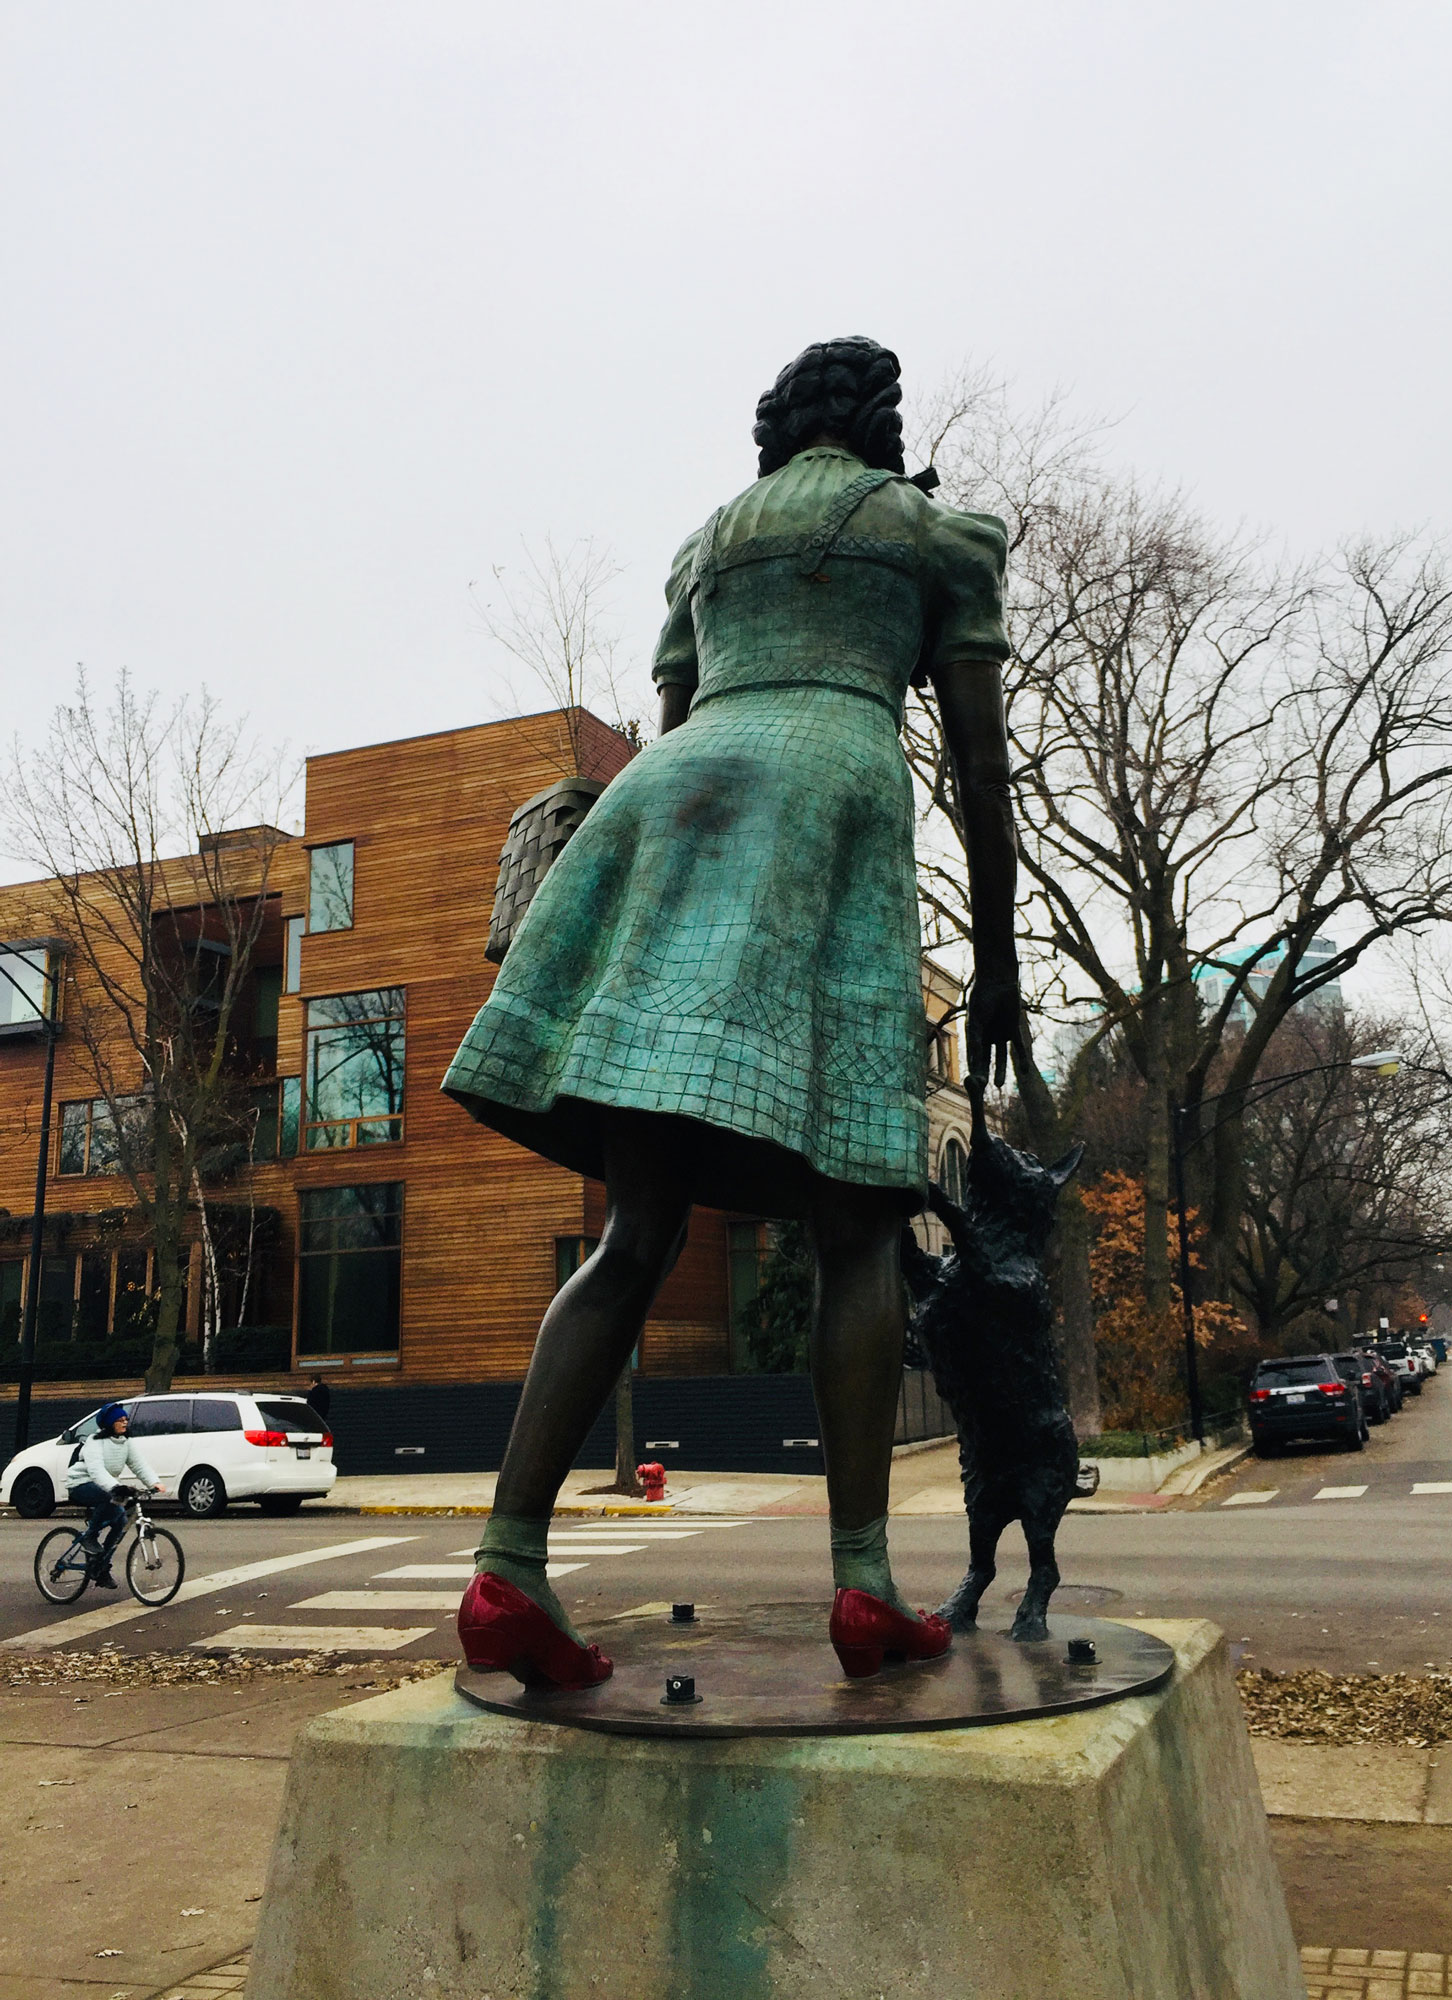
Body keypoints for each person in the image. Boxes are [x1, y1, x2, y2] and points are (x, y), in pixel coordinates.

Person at [443, 336, 1020, 1690]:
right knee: (859, 1223)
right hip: (830, 799)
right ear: (882, 425)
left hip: (675, 805)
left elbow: (682, 712)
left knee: (638, 1229)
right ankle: (865, 1583)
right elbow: (982, 765)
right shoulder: (937, 537)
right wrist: (994, 963)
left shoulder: (707, 547)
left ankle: (507, 1566)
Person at [63, 1403, 165, 1590]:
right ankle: (90, 1537)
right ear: (110, 1423)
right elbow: (96, 1471)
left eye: (126, 1419)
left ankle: (101, 1568)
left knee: (120, 1522)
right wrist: (117, 1487)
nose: (124, 1422)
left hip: (106, 1485)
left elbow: (139, 1465)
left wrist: (154, 1482)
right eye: (120, 1420)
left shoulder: (125, 1442)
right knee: (106, 1498)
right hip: (80, 1484)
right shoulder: (95, 1441)